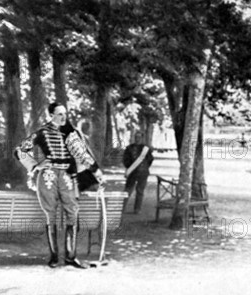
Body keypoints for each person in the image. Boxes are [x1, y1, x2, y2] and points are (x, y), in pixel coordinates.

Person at [15, 102, 103, 268]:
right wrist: (35, 166)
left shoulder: (70, 132)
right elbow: (20, 151)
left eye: (65, 114)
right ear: (51, 115)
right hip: (48, 176)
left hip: (67, 176)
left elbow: (81, 154)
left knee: (73, 212)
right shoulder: (41, 132)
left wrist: (96, 170)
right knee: (51, 215)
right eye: (59, 114)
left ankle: (71, 256)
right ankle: (54, 257)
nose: (63, 117)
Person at [122, 131, 154, 214]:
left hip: (143, 173)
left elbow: (150, 160)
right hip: (132, 173)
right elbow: (125, 160)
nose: (137, 139)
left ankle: (137, 209)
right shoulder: (129, 148)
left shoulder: (146, 149)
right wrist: (131, 167)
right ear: (134, 138)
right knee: (127, 191)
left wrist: (145, 168)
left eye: (139, 137)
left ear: (142, 138)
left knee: (140, 192)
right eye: (136, 137)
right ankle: (122, 209)